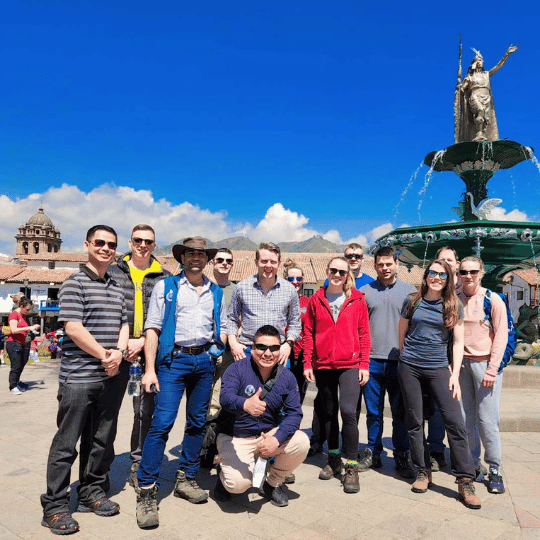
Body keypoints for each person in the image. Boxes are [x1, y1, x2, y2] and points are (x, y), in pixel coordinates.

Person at [41, 225, 129, 535]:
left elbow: (124, 323)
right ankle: (54, 506)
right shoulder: (73, 283)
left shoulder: (118, 285)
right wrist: (106, 356)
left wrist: (118, 352)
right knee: (66, 443)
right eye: (100, 242)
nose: (106, 248)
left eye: (111, 244)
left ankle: (91, 492)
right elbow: (74, 328)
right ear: (88, 245)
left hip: (111, 375)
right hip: (79, 377)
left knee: (101, 441)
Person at [135, 237, 227, 530]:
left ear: (207, 259)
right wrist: (149, 370)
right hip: (173, 362)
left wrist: (215, 349)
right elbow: (153, 327)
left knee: (198, 422)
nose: (196, 258)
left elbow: (221, 326)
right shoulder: (167, 287)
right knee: (161, 422)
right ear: (182, 257)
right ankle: (147, 490)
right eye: (191, 253)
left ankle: (186, 478)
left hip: (203, 363)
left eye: (201, 253)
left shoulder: (215, 291)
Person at [398, 260, 481, 509]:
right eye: (432, 273)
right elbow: (402, 331)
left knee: (454, 421)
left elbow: (457, 342)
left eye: (442, 275)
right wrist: (405, 357)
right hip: (410, 367)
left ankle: (465, 479)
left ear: (448, 279)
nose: (436, 278)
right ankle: (422, 471)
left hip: (438, 368)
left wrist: (454, 374)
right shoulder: (412, 301)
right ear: (425, 276)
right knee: (414, 421)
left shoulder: (452, 304)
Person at [214, 325, 309, 507]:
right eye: (261, 347)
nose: (268, 353)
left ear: (280, 349)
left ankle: (271, 483)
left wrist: (277, 438)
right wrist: (245, 404)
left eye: (274, 348)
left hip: (267, 436)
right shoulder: (236, 369)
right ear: (252, 347)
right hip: (235, 436)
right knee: (238, 485)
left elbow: (295, 414)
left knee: (302, 442)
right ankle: (222, 471)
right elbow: (225, 398)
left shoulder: (287, 377)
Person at [106, 224, 170, 488]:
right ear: (130, 243)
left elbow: (168, 317)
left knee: (144, 412)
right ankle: (99, 470)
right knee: (106, 413)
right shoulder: (110, 272)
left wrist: (143, 340)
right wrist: (122, 345)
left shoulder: (164, 277)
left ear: (154, 246)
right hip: (113, 352)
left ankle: (138, 462)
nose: (143, 245)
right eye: (138, 240)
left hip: (147, 355)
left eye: (149, 241)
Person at [303, 257, 371, 494]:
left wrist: (364, 364)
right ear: (327, 271)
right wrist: (307, 363)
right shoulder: (316, 299)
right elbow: (309, 332)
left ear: (347, 274)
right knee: (329, 413)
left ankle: (351, 466)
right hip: (323, 364)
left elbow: (363, 333)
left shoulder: (357, 299)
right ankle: (333, 459)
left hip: (350, 364)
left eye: (342, 271)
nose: (337, 275)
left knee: (349, 412)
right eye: (333, 270)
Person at [358, 247, 416, 477]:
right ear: (375, 266)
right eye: (380, 264)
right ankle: (373, 452)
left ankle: (402, 454)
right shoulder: (364, 292)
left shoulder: (409, 292)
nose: (385, 268)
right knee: (373, 411)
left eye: (389, 264)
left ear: (396, 265)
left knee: (400, 412)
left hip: (399, 362)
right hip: (372, 361)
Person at [458, 256, 508, 494]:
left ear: (482, 272)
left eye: (473, 271)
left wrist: (492, 369)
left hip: (484, 365)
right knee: (466, 418)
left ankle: (495, 467)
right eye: (464, 271)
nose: (468, 275)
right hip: (461, 367)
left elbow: (501, 336)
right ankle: (473, 464)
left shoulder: (493, 299)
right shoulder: (455, 298)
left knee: (487, 421)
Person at [227, 242, 301, 366]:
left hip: (279, 352)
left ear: (279, 263)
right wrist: (233, 344)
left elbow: (295, 322)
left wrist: (288, 345)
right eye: (264, 261)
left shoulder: (289, 290)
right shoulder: (241, 288)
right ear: (256, 262)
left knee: (279, 386)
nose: (268, 265)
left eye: (273, 262)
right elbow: (231, 319)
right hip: (247, 352)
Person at [427, 246, 461, 471]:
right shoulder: (434, 288)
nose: (446, 264)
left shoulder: (467, 289)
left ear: (457, 264)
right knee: (438, 409)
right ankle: (436, 450)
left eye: (450, 260)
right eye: (441, 260)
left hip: (465, 358)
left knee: (463, 412)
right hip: (439, 359)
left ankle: (466, 456)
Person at [456, 45, 519, 142]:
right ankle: (479, 133)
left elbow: (497, 67)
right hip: (474, 96)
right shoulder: (470, 77)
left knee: (485, 118)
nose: (482, 63)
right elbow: (463, 89)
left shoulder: (486, 74)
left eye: (482, 61)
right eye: (480, 61)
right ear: (475, 63)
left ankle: (481, 133)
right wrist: (459, 88)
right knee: (480, 110)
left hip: (486, 97)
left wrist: (507, 54)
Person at [206, 248, 236, 421]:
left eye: (228, 261)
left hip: (226, 355)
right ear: (212, 263)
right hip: (203, 352)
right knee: (199, 398)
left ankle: (211, 441)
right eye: (220, 260)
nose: (225, 263)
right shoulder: (202, 286)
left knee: (218, 399)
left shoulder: (237, 290)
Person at [283, 260, 309, 403]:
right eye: (291, 279)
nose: (295, 282)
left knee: (298, 396)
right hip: (282, 355)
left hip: (302, 356)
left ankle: (293, 424)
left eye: (299, 278)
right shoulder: (279, 300)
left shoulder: (308, 302)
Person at [6, 296, 40, 395]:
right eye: (27, 309)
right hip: (13, 343)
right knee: (16, 366)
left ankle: (16, 383)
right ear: (21, 306)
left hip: (21, 343)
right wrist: (29, 328)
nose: (28, 311)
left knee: (21, 364)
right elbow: (13, 330)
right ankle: (12, 387)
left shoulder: (23, 316)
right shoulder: (14, 315)